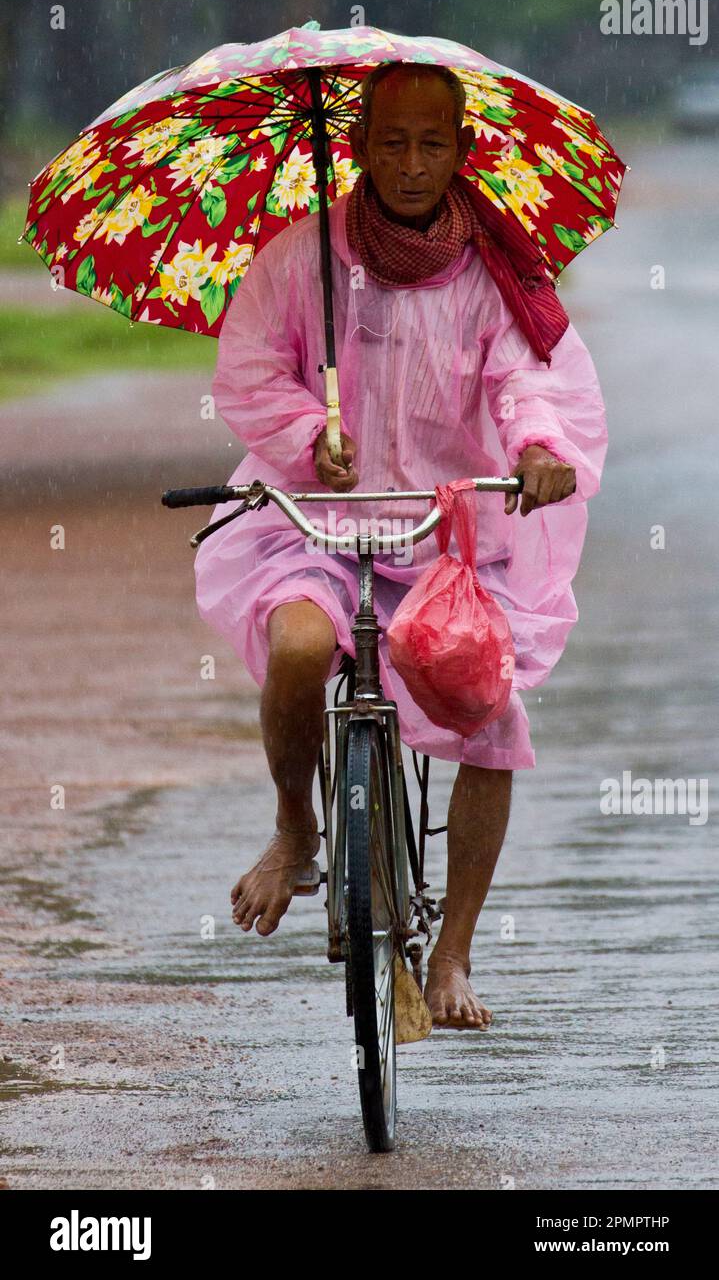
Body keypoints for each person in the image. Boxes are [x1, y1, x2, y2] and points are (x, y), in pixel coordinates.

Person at [194, 61, 607, 1029]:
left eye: (432, 143)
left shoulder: (495, 267)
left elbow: (525, 381)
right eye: (391, 142)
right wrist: (306, 435)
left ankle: (453, 951)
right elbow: (248, 372)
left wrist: (539, 448)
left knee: (487, 711)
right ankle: (296, 828)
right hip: (319, 524)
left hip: (447, 533)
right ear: (357, 149)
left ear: (463, 151)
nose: (411, 164)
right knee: (298, 646)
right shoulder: (300, 258)